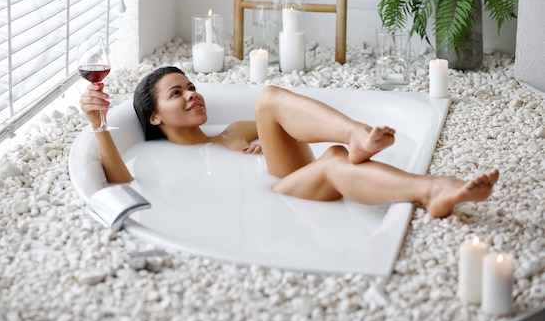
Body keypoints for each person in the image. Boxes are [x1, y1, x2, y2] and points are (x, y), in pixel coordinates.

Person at [79, 66, 499, 218]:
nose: (192, 94)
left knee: (272, 100)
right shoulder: (158, 157)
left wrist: (269, 144)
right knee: (334, 161)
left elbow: (289, 123)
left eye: (191, 86)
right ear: (154, 118)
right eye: (177, 93)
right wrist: (99, 124)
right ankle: (433, 190)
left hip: (282, 187)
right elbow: (119, 184)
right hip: (276, 203)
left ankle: (356, 137)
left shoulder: (233, 133)